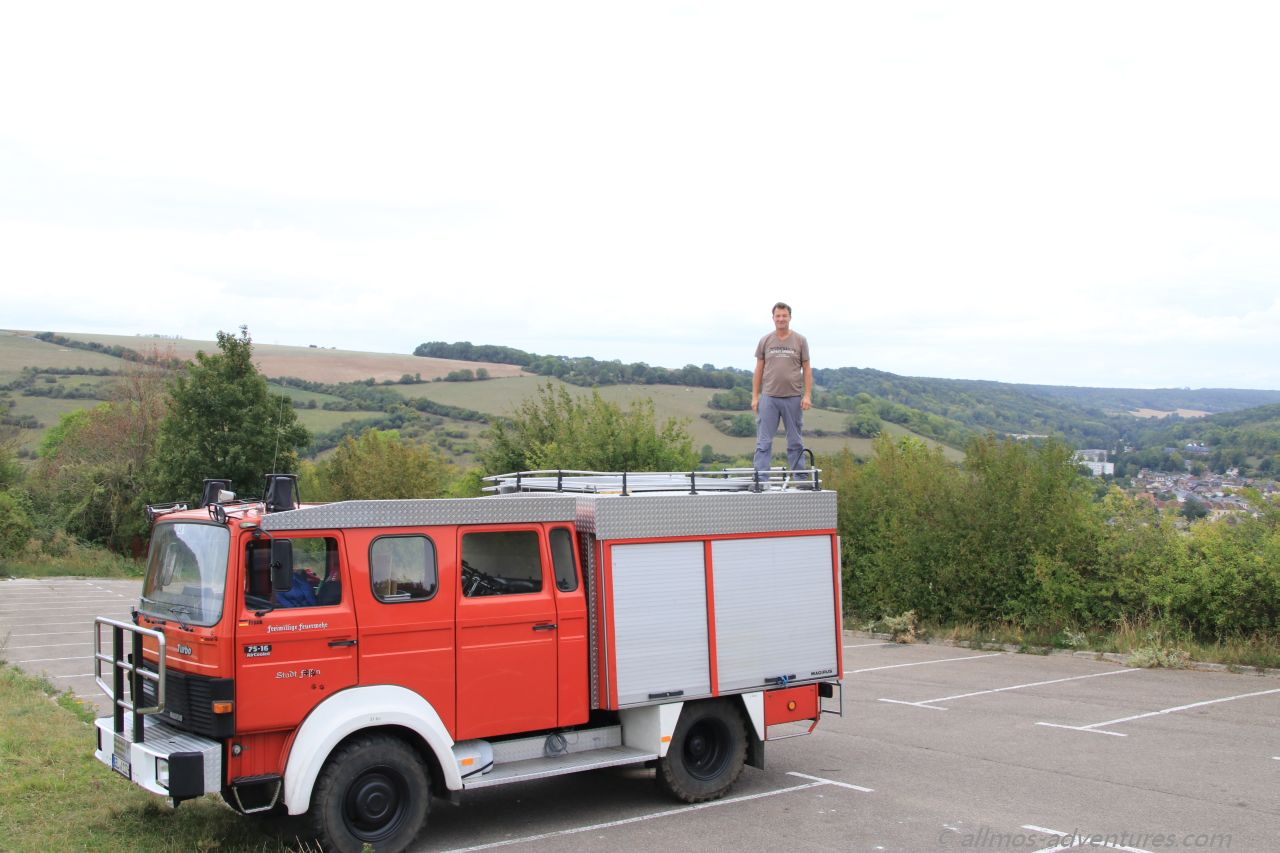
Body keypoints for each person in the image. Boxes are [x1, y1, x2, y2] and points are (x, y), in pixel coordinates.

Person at [752, 301, 812, 472]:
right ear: (773, 318)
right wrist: (755, 397)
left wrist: (807, 395)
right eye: (778, 316)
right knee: (763, 442)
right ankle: (761, 479)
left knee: (795, 442)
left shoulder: (800, 340)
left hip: (793, 397)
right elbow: (758, 369)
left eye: (784, 316)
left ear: (790, 317)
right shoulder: (765, 340)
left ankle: (800, 479)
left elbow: (807, 368)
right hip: (769, 398)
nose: (781, 319)